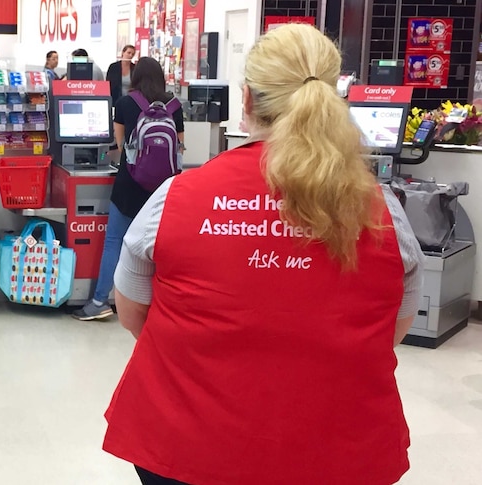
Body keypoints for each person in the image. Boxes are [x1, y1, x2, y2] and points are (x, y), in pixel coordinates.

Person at [103, 24, 422, 485]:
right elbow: (391, 327)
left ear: (247, 101)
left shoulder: (177, 198)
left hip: (187, 444)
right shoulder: (380, 209)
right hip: (335, 448)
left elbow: (133, 311)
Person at [73, 57, 183, 321]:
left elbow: (121, 147)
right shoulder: (175, 106)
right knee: (160, 247)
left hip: (129, 185)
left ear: (135, 77)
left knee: (114, 242)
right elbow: (178, 148)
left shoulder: (125, 103)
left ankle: (100, 300)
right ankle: (159, 304)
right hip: (163, 190)